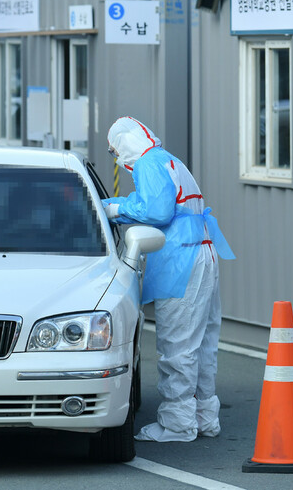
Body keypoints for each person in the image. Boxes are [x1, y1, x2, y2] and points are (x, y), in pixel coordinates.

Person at [102, 117, 233, 442]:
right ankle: (204, 417)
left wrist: (113, 209)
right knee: (202, 344)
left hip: (181, 259)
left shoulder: (148, 164)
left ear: (125, 145)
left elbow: (157, 213)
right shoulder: (169, 159)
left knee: (177, 345)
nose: (117, 158)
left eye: (115, 151)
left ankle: (177, 424)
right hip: (203, 252)